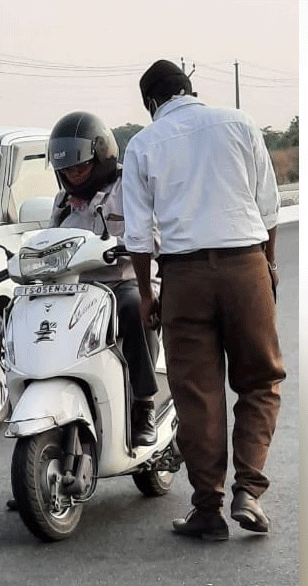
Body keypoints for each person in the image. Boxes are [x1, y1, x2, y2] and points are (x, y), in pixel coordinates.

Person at [122, 59, 285, 541]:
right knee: (260, 379)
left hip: (184, 275)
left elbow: (138, 234)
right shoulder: (239, 122)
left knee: (198, 393)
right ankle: (249, 492)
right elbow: (268, 206)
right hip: (245, 265)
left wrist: (148, 290)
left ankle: (208, 509)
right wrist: (268, 268)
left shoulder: (144, 143)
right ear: (190, 89)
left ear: (152, 102)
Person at [47, 111, 158, 446]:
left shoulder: (129, 187)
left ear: (102, 156)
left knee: (134, 308)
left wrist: (130, 247)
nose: (73, 175)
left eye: (79, 168)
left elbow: (155, 231)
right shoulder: (63, 202)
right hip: (79, 288)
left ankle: (144, 405)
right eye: (65, 170)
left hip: (126, 279)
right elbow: (50, 240)